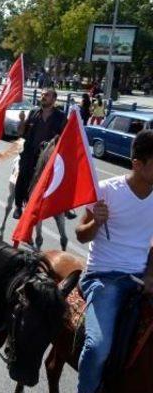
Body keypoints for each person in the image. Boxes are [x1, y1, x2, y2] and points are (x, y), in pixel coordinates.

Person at [75, 130, 153, 393]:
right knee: (97, 347)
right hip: (104, 277)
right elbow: (80, 234)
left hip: (140, 277)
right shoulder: (107, 191)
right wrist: (96, 222)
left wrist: (151, 274)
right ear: (137, 164)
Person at [13, 89, 66, 219]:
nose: (43, 97)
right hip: (29, 154)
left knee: (52, 181)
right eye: (42, 95)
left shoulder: (61, 117)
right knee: (23, 176)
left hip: (47, 157)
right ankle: (18, 206)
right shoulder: (33, 113)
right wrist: (22, 120)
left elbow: (66, 137)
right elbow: (20, 133)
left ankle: (64, 208)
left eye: (46, 95)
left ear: (54, 99)